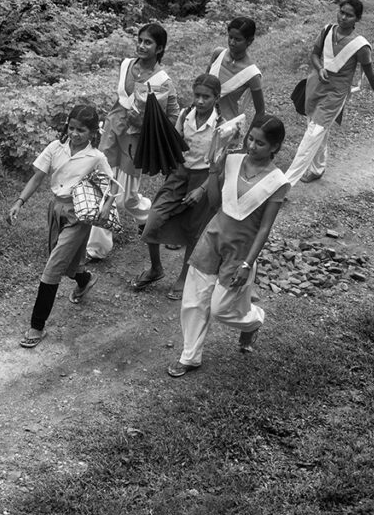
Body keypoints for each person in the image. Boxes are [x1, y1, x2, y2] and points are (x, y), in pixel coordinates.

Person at [167, 114, 291, 378]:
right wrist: (214, 171)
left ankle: (253, 320)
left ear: (275, 147)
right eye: (250, 139)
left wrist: (247, 264)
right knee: (193, 301)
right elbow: (215, 203)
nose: (252, 146)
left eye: (260, 143)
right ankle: (190, 356)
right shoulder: (233, 161)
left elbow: (264, 228)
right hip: (213, 237)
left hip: (241, 251)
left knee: (221, 309)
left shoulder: (277, 182)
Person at [8, 104, 114, 349]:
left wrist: (107, 206)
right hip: (56, 209)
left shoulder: (96, 158)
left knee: (53, 266)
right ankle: (84, 279)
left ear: (93, 133)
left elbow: (111, 185)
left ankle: (36, 326)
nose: (75, 134)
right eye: (72, 128)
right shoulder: (56, 148)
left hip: (79, 215)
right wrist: (19, 202)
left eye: (81, 130)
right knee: (63, 259)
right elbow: (37, 177)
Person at [86, 23, 179, 260]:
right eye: (140, 40)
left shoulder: (163, 80)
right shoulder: (126, 65)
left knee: (127, 198)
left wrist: (147, 123)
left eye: (148, 42)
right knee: (104, 187)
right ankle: (96, 248)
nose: (141, 46)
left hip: (135, 140)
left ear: (159, 48)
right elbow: (121, 99)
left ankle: (147, 216)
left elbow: (172, 116)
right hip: (112, 132)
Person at [130, 74, 223, 300]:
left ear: (217, 98)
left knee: (194, 230)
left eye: (206, 97)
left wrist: (202, 190)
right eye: (197, 95)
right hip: (179, 174)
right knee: (153, 219)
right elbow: (174, 143)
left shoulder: (221, 125)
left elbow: (221, 165)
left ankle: (183, 278)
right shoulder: (185, 115)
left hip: (205, 178)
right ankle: (156, 268)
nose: (200, 101)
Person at [285, 0, 374, 185]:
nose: (343, 17)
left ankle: (284, 184)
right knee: (316, 130)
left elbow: (370, 74)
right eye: (341, 12)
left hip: (335, 95)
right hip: (315, 87)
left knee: (314, 133)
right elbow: (314, 54)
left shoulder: (360, 46)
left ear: (358, 19)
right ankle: (317, 169)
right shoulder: (327, 31)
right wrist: (319, 68)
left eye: (349, 15)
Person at [206, 17, 265, 123]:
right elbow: (203, 84)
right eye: (230, 37)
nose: (232, 42)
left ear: (249, 41)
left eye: (237, 39)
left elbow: (260, 112)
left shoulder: (252, 74)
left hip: (225, 124)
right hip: (201, 115)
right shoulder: (218, 54)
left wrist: (250, 133)